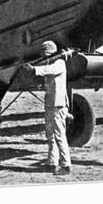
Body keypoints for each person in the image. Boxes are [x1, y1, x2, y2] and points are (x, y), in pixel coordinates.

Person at [22, 40, 73, 175]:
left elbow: (48, 70)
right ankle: (52, 162)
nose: (44, 58)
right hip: (50, 104)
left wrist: (34, 69)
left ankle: (66, 165)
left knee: (59, 135)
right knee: (50, 135)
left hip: (58, 104)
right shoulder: (52, 63)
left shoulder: (59, 63)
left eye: (46, 55)